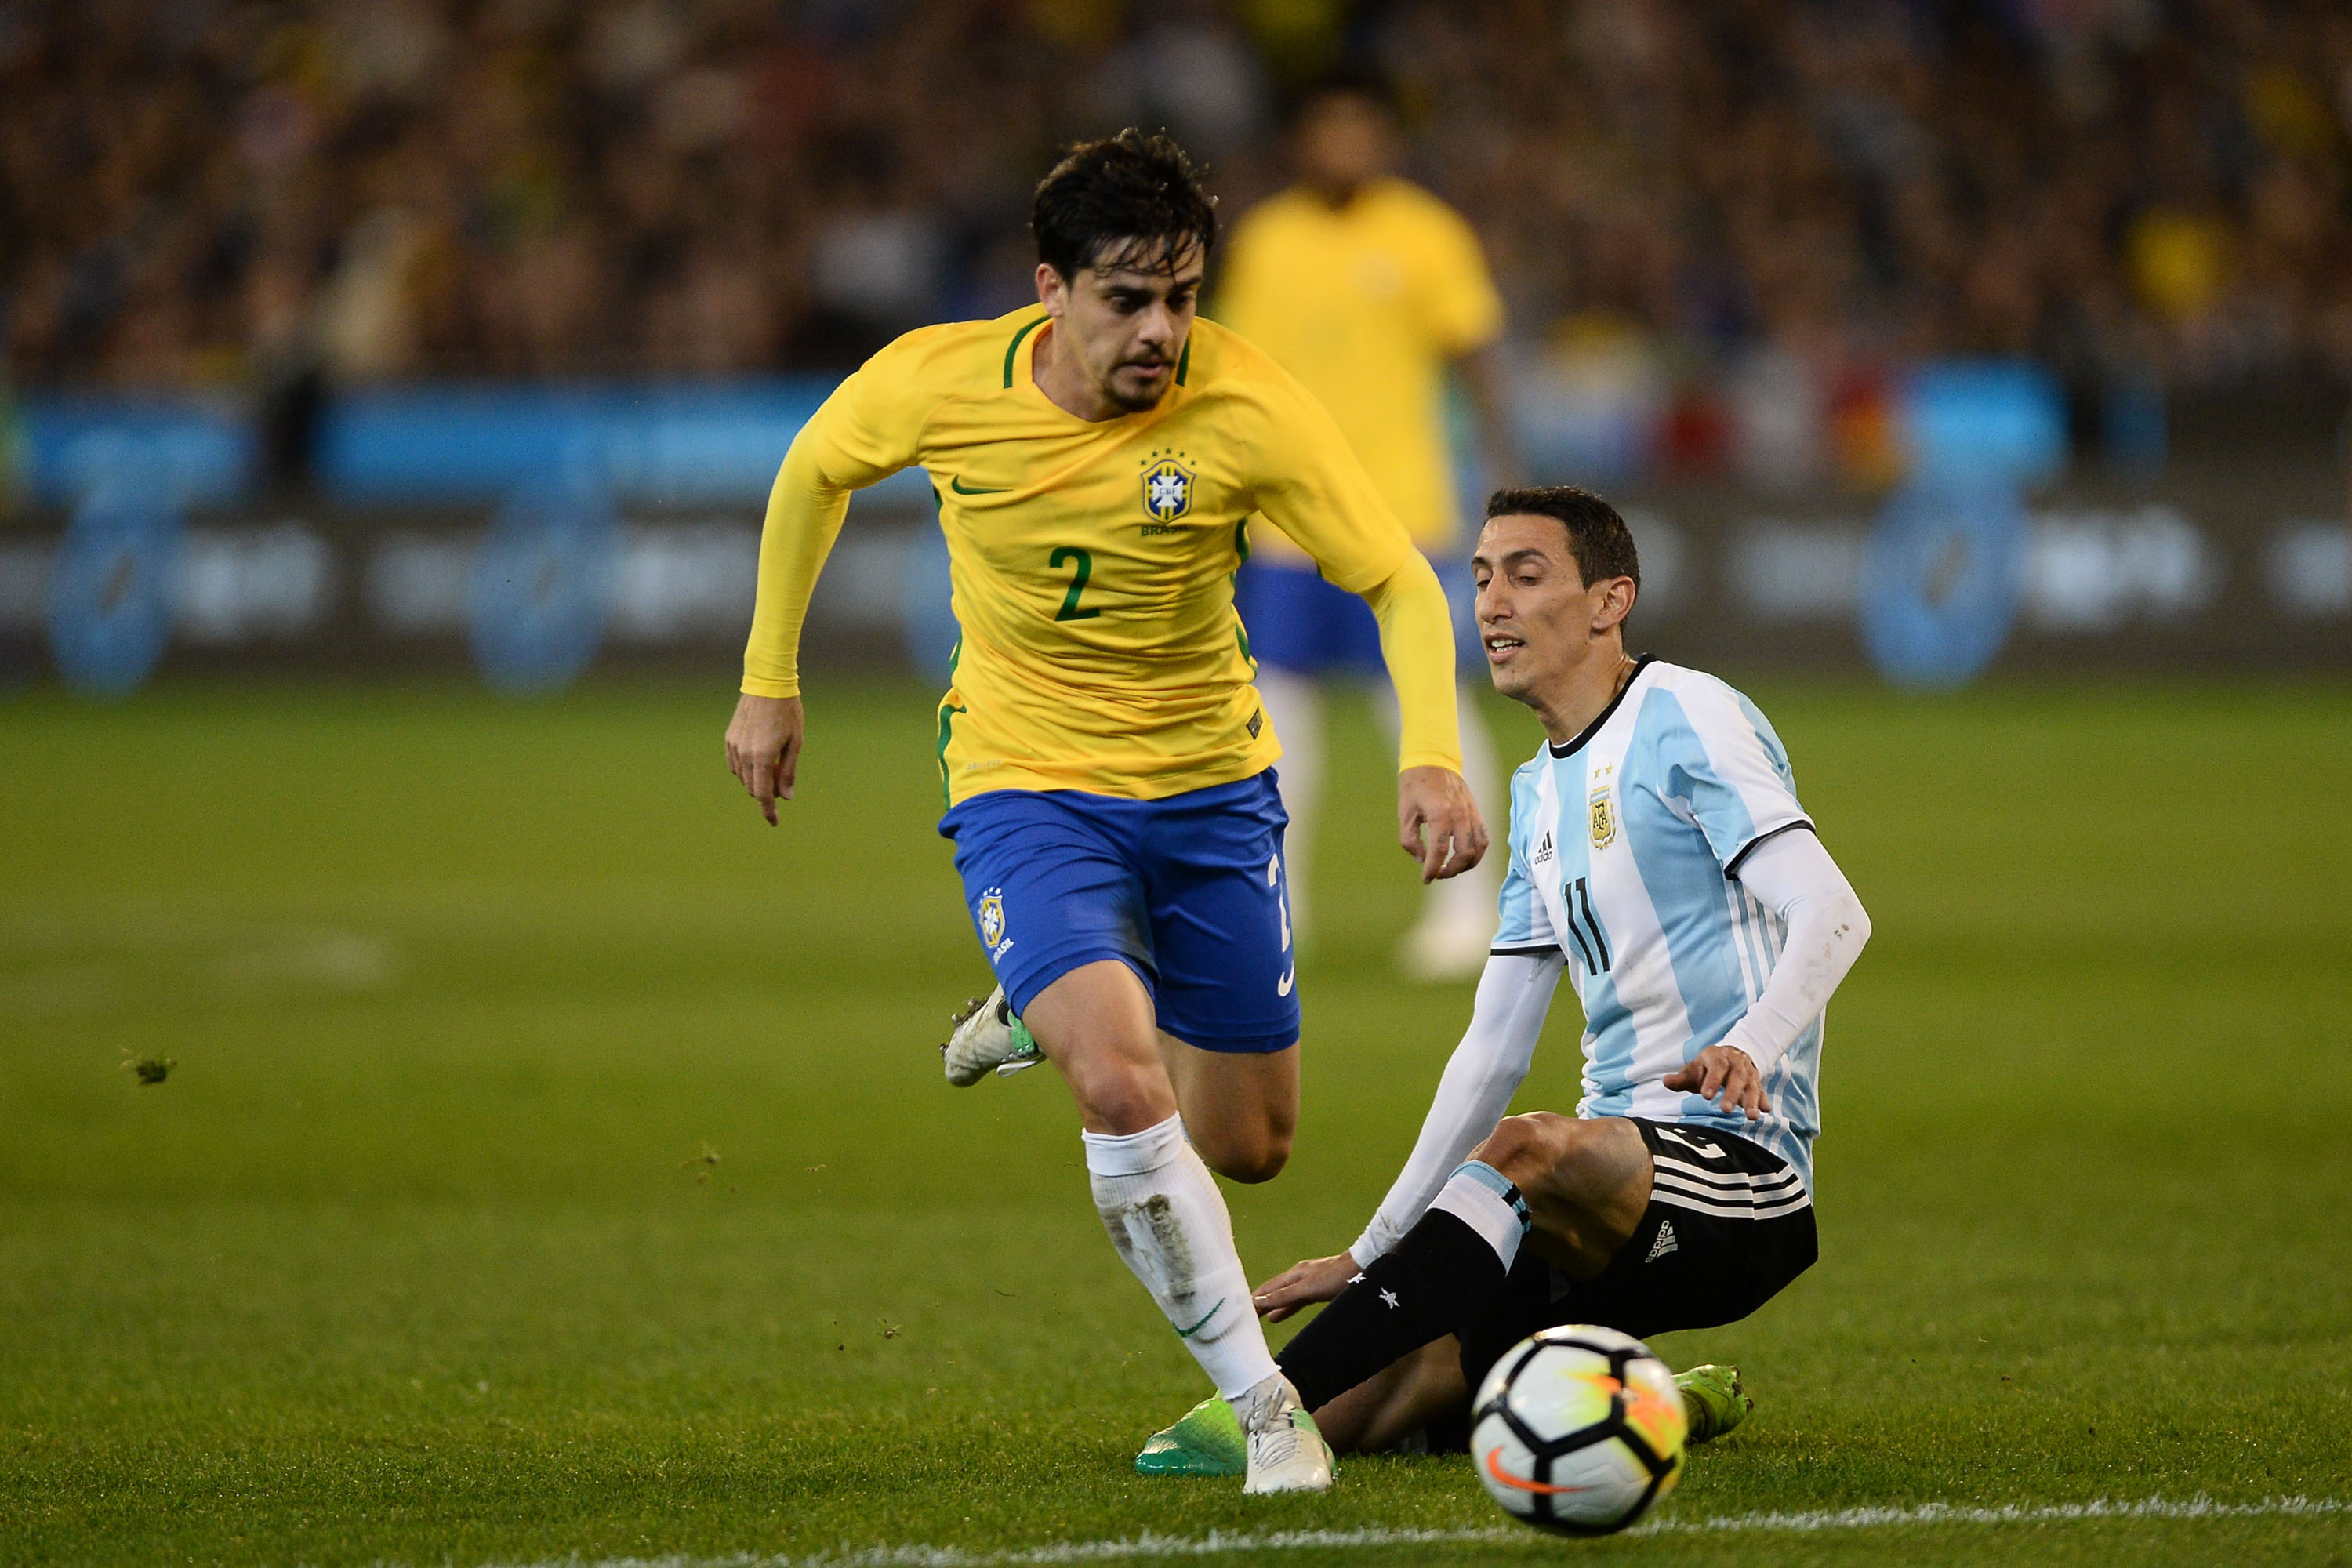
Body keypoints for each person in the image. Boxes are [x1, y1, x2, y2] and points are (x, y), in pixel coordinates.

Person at [723, 130, 1488, 1495]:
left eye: (1183, 297)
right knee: (1121, 1082)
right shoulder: (938, 380)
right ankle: (1267, 1415)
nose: (1162, 330)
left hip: (1209, 793)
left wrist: (1430, 751)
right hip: (1028, 785)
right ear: (1050, 290)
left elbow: (1401, 580)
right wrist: (768, 679)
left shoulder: (1248, 408)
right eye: (1128, 299)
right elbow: (813, 473)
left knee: (1252, 1148)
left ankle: (1040, 998)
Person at [1136, 485, 1871, 1472]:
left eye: (1526, 575)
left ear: (1612, 600)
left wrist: (1752, 1042)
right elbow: (1490, 1047)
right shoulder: (1534, 792)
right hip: (1590, 1201)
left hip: (1739, 1176)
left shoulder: (1685, 713)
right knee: (1375, 1407)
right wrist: (1371, 1249)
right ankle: (1640, 1397)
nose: (1490, 602)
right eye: (1480, 577)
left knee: (1522, 1146)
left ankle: (1269, 1402)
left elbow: (1833, 912)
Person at [1215, 71, 1520, 980]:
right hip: (1284, 522)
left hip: (1402, 516)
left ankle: (1471, 910)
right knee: (1276, 726)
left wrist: (1506, 475)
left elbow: (1477, 355)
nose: (1345, 145)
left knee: (1430, 715)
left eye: (1361, 128)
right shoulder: (1269, 240)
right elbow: (1238, 375)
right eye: (1329, 128)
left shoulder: (1426, 233)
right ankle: (1276, 910)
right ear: (1303, 138)